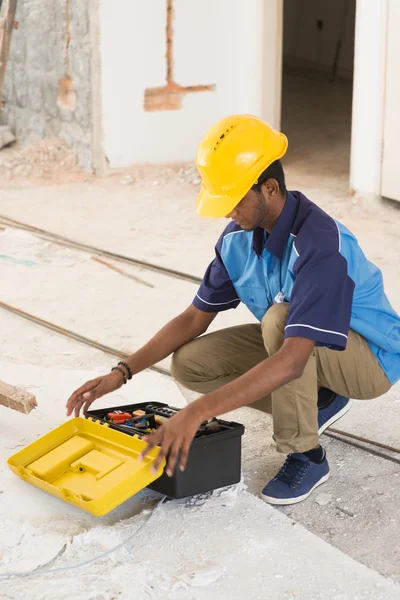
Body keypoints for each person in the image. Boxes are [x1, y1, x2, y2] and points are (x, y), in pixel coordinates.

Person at [66, 115, 400, 505]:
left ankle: (307, 455)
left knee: (279, 320)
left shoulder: (319, 245)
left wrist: (195, 414)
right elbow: (194, 319)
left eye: (234, 200)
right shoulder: (238, 239)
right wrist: (121, 372)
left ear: (269, 188)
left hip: (368, 360)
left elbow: (292, 361)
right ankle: (320, 399)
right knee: (190, 363)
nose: (227, 212)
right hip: (307, 346)